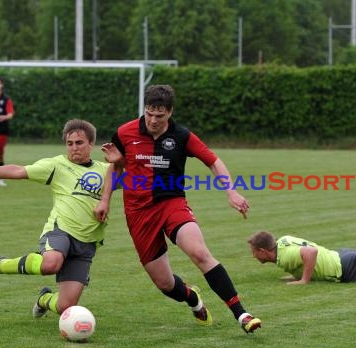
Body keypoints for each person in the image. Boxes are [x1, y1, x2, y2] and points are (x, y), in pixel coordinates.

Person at [95, 84, 261, 334]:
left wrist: (231, 191)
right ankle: (193, 299)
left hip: (171, 204)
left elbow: (213, 162)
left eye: (159, 115)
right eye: (149, 113)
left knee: (200, 253)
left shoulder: (182, 136)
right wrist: (105, 200)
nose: (152, 120)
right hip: (138, 213)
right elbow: (116, 167)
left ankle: (242, 314)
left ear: (170, 112)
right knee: (164, 283)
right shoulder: (125, 132)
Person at [0, 119, 109, 318]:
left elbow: (142, 181)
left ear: (91, 144)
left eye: (79, 143)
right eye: (69, 144)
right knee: (50, 264)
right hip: (61, 230)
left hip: (87, 243)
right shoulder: (57, 165)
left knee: (65, 306)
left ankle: (43, 299)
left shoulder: (108, 171)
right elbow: (19, 171)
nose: (74, 148)